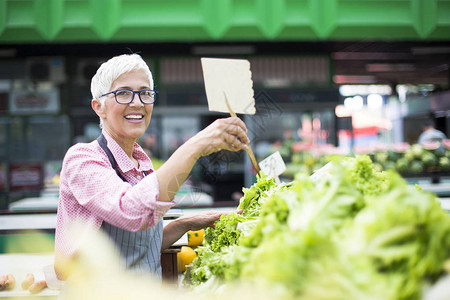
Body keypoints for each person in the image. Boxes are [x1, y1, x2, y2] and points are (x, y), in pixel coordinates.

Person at [54, 53, 250, 280]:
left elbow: (139, 249)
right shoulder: (82, 159)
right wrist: (196, 145)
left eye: (145, 93)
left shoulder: (144, 166)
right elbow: (130, 212)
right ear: (99, 107)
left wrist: (186, 224)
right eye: (123, 93)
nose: (137, 103)